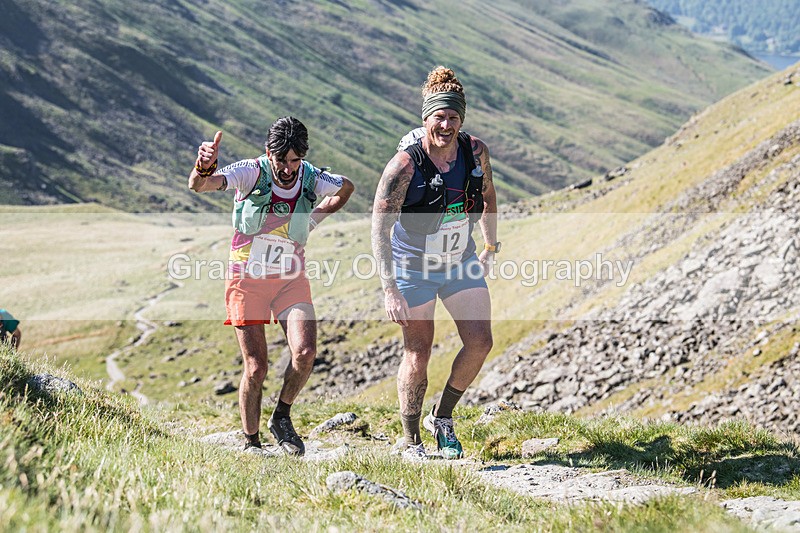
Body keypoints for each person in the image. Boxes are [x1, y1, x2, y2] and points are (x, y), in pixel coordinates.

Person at [189, 117, 354, 455]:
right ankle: (251, 441)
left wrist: (314, 218)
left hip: (290, 278)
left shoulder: (309, 175)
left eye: (295, 160)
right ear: (269, 152)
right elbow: (200, 186)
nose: (289, 168)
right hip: (246, 279)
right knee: (256, 366)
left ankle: (281, 416)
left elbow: (346, 187)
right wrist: (203, 167)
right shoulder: (252, 171)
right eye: (282, 160)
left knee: (305, 352)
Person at [371, 67, 498, 460]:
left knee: (480, 342)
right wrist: (389, 287)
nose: (446, 125)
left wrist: (491, 246)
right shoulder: (404, 167)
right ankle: (410, 439)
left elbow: (490, 194)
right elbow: (379, 225)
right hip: (413, 267)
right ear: (426, 118)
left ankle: (442, 418)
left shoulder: (474, 151)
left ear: (462, 120)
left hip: (459, 259)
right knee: (418, 353)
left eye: (453, 118)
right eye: (439, 117)